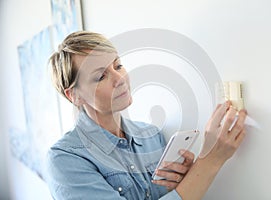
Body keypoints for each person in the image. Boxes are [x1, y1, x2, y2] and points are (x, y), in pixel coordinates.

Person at [46, 31, 247, 200]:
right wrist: (212, 159)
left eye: (117, 66)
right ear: (75, 96)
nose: (120, 79)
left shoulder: (151, 135)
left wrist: (188, 175)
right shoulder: (65, 159)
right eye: (101, 76)